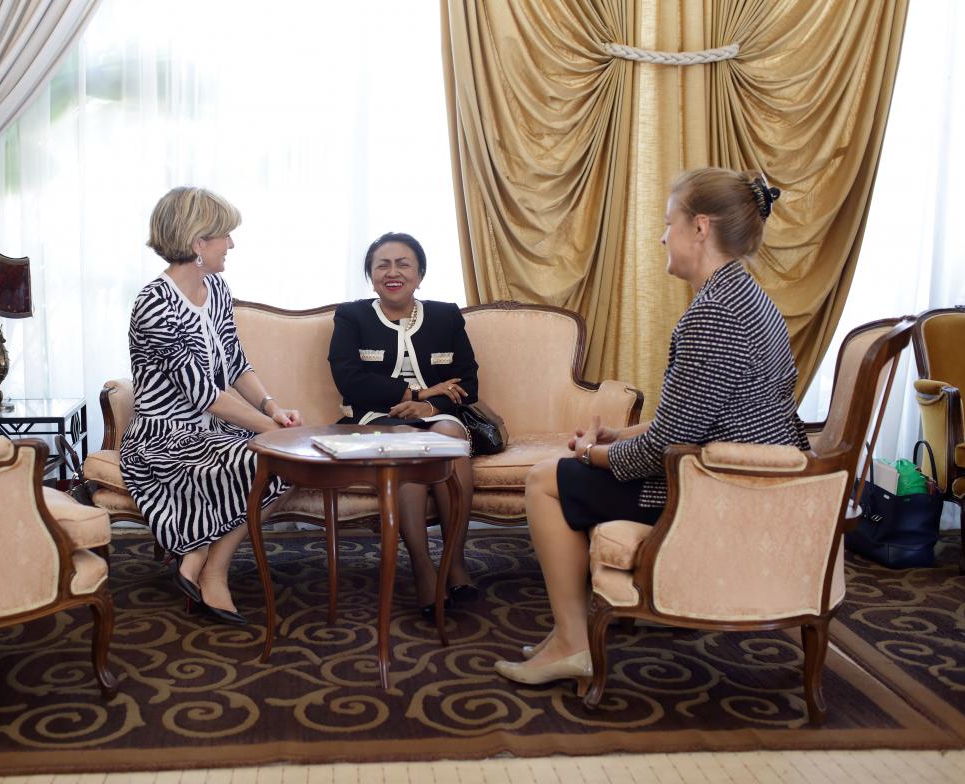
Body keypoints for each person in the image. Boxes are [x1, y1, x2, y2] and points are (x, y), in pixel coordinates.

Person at [494, 168, 810, 690]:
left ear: (700, 227)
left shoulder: (715, 313)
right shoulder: (746, 298)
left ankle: (574, 644)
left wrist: (591, 457)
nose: (664, 235)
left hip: (715, 490)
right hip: (732, 473)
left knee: (545, 481)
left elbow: (670, 446)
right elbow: (689, 422)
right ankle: (568, 639)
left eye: (670, 222)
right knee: (568, 471)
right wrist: (618, 439)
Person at [120, 186, 302, 626]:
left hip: (209, 433)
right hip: (162, 438)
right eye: (225, 235)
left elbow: (235, 361)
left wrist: (272, 409)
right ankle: (206, 564)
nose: (232, 244)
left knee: (291, 460)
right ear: (199, 243)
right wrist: (271, 430)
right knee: (275, 455)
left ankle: (206, 562)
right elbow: (203, 394)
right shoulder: (154, 304)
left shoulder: (216, 287)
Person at [327, 232, 478, 618]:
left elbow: (469, 384)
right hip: (374, 418)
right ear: (371, 275)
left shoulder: (446, 316)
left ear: (420, 273)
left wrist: (430, 410)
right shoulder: (352, 316)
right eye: (382, 265)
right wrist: (417, 395)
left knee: (449, 439)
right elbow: (350, 379)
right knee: (408, 444)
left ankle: (455, 562)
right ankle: (424, 570)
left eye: (403, 263)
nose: (393, 272)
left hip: (437, 418)